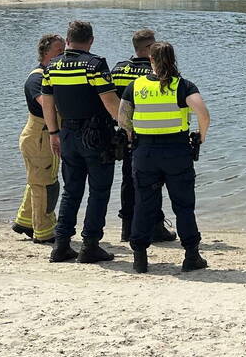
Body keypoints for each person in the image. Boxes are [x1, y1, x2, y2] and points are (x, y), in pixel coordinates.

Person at [119, 41, 211, 274]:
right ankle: (191, 255)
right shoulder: (183, 86)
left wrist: (132, 135)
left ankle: (140, 257)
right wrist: (201, 135)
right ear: (173, 59)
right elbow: (204, 114)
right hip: (176, 151)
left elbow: (122, 117)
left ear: (151, 60)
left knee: (143, 204)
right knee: (183, 205)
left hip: (144, 152)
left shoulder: (136, 86)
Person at [41, 21, 121, 263]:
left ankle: (61, 245)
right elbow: (110, 102)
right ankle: (90, 246)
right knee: (98, 191)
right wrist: (128, 127)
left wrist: (54, 133)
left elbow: (47, 103)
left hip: (67, 134)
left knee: (71, 191)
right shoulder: (94, 64)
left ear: (67, 40)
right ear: (91, 40)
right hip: (96, 135)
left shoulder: (52, 66)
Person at [110, 29, 176, 244]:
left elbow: (113, 101)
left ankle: (126, 228)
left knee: (128, 182)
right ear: (149, 49)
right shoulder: (156, 72)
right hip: (148, 136)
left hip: (124, 134)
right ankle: (155, 226)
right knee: (152, 184)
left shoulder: (118, 69)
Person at [12, 33, 65, 244]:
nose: (62, 54)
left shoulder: (49, 74)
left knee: (36, 180)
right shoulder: (37, 78)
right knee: (45, 185)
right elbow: (48, 105)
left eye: (64, 50)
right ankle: (44, 232)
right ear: (45, 53)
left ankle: (25, 222)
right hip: (41, 136)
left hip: (40, 135)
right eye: (58, 51)